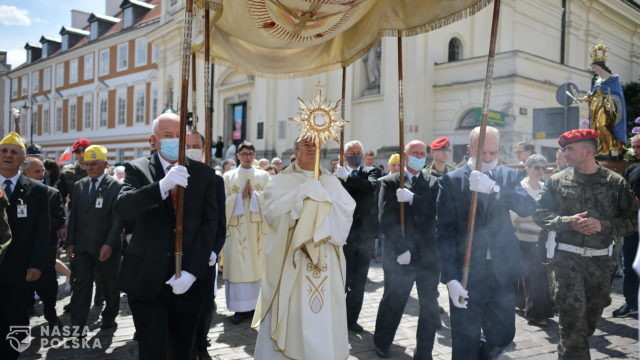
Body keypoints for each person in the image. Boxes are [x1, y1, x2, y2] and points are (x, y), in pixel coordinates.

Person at [116, 113, 223, 359]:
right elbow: (124, 207)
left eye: (179, 136)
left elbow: (210, 225)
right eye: (167, 136)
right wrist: (161, 186)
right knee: (153, 349)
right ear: (154, 140)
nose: (174, 141)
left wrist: (192, 271)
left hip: (188, 280)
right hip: (146, 277)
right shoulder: (138, 168)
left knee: (182, 349)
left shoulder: (204, 174)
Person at [533, 129, 638, 359]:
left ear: (588, 151)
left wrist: (604, 226)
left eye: (570, 149)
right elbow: (540, 214)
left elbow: (631, 222)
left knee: (587, 324)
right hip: (566, 260)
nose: (564, 153)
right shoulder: (557, 181)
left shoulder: (615, 183)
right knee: (572, 326)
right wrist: (568, 222)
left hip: (601, 262)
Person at [437, 126, 537, 359]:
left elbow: (527, 207)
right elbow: (444, 232)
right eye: (484, 153)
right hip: (467, 272)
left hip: (501, 271)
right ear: (471, 149)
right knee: (465, 339)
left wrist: (495, 189)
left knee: (504, 334)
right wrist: (451, 279)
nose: (489, 158)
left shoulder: (508, 176)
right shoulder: (451, 181)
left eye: (494, 153)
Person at [252, 136, 356, 360]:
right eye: (306, 146)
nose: (311, 149)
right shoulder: (281, 181)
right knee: (294, 309)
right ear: (296, 152)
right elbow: (271, 213)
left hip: (326, 257)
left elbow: (346, 212)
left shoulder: (330, 181)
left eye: (315, 145)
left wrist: (322, 210)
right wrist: (301, 199)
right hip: (292, 257)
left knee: (324, 313)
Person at [373, 140, 440, 359]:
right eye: (415, 152)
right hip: (400, 254)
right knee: (394, 300)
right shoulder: (390, 182)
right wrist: (401, 249)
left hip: (428, 255)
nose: (419, 156)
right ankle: (382, 342)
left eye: (423, 153)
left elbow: (434, 211)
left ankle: (424, 352)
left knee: (429, 306)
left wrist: (413, 199)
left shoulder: (433, 182)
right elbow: (386, 219)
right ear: (405, 155)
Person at [0, 132, 50, 360]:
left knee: (15, 322)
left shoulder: (37, 191)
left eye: (14, 152)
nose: (8, 156)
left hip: (20, 270)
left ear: (23, 159)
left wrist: (37, 264)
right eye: (4, 151)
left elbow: (42, 232)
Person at [67, 145, 124, 330]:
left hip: (106, 246)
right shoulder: (79, 186)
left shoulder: (116, 186)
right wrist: (70, 242)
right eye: (86, 164)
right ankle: (78, 323)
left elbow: (118, 219)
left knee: (109, 284)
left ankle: (110, 315)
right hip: (83, 246)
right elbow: (74, 216)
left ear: (105, 164)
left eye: (93, 164)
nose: (90, 168)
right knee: (81, 284)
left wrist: (109, 244)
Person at [333, 140, 382, 332]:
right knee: (341, 278)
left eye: (358, 152)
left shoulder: (371, 172)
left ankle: (351, 319)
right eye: (351, 152)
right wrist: (339, 179)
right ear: (345, 156)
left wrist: (349, 177)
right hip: (343, 233)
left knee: (359, 280)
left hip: (364, 234)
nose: (355, 155)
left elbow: (369, 188)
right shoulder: (337, 175)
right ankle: (336, 316)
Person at [186, 132, 226, 360]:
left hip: (205, 256)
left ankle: (201, 345)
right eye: (187, 145)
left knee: (204, 305)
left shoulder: (214, 178)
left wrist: (213, 251)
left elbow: (220, 221)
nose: (191, 149)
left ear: (203, 149)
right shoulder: (173, 176)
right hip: (179, 255)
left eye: (196, 146)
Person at [222, 142, 270, 324]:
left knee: (258, 267)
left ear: (255, 155)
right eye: (244, 153)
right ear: (238, 156)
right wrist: (238, 197)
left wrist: (256, 196)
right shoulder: (228, 177)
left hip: (258, 231)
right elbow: (221, 204)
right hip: (236, 232)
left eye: (251, 153)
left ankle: (258, 307)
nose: (248, 157)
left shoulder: (264, 176)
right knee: (238, 267)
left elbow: (273, 200)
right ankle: (240, 309)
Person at [22, 157, 65, 328]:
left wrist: (40, 224)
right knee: (23, 290)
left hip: (45, 251)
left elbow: (59, 218)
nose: (42, 175)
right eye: (37, 171)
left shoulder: (52, 194)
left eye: (43, 171)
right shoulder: (18, 192)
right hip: (23, 252)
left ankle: (51, 314)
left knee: (49, 289)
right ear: (26, 173)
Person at [512, 154, 554, 326]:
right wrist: (539, 217)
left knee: (531, 274)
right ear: (527, 168)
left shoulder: (545, 188)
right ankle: (536, 313)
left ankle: (522, 303)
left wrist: (534, 217)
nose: (541, 171)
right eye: (537, 167)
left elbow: (551, 213)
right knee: (535, 275)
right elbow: (516, 216)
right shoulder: (520, 188)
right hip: (522, 237)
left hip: (542, 237)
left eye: (543, 168)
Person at [577, 44, 627, 155]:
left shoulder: (612, 78)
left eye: (594, 67)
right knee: (596, 129)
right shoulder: (598, 79)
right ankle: (602, 150)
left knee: (602, 126)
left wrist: (611, 100)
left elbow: (617, 94)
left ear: (599, 66)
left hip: (607, 106)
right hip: (596, 107)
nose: (593, 70)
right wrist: (582, 99)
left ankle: (613, 147)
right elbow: (592, 93)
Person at [614, 134, 640, 317]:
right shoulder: (631, 169)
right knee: (629, 264)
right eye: (635, 147)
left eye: (639, 147)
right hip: (632, 228)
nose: (636, 150)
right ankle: (631, 303)